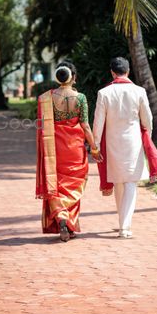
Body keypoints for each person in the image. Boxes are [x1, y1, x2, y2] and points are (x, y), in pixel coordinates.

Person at [93, 56, 157, 239]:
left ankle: (123, 223)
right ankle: (124, 227)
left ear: (112, 72)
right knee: (129, 183)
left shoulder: (104, 93)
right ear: (128, 71)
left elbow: (98, 123)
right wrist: (147, 137)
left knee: (119, 181)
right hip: (133, 141)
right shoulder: (139, 91)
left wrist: (96, 145)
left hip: (112, 143)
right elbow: (148, 119)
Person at [36, 60, 101, 242]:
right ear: (74, 77)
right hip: (75, 149)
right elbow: (85, 126)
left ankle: (61, 218)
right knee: (72, 187)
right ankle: (68, 222)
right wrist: (94, 149)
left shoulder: (46, 98)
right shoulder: (80, 98)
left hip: (54, 150)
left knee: (55, 185)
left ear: (58, 76)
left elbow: (41, 127)